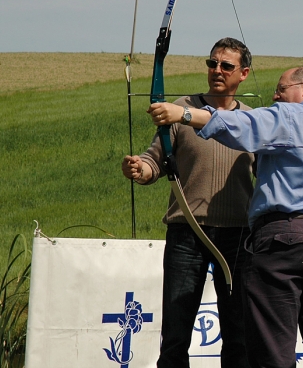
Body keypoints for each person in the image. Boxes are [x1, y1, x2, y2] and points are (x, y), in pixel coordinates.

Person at [148, 67, 303, 368]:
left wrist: (183, 114)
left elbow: (241, 124)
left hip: (283, 241)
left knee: (272, 346)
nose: (275, 96)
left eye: (281, 89)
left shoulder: (288, 115)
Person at [121, 37, 254, 368]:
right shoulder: (181, 108)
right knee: (176, 333)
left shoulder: (253, 121)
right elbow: (157, 159)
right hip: (187, 234)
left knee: (239, 335)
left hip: (238, 238)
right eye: (212, 64)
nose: (217, 71)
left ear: (244, 74)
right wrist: (141, 168)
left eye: (226, 66)